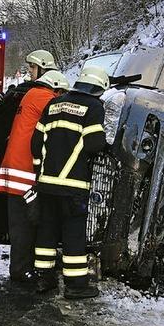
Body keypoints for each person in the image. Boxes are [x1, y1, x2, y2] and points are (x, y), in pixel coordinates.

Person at [29, 66, 109, 299]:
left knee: (47, 231)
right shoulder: (93, 107)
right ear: (98, 89)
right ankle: (76, 286)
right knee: (73, 233)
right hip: (73, 185)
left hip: (46, 184)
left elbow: (36, 143)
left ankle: (44, 279)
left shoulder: (54, 104)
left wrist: (39, 171)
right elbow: (94, 143)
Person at [0, 68, 70, 283]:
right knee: (26, 222)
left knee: (21, 221)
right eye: (61, 93)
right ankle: (20, 270)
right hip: (25, 170)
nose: (60, 97)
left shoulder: (30, 95)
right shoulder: (44, 97)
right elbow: (64, 113)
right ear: (55, 88)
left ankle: (22, 265)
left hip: (14, 167)